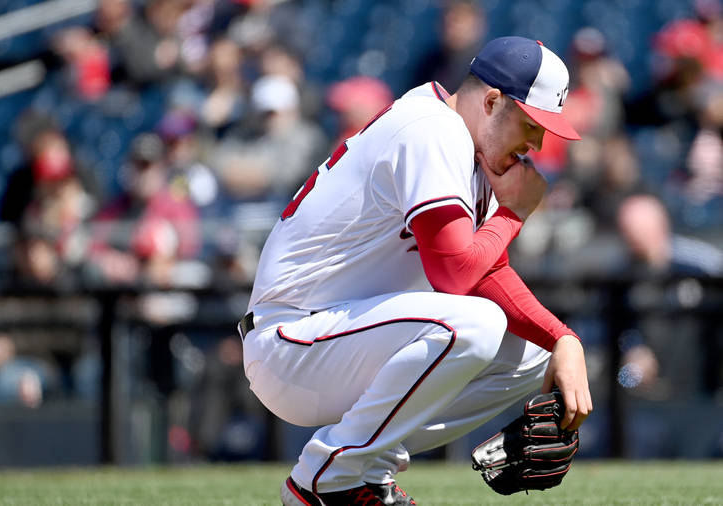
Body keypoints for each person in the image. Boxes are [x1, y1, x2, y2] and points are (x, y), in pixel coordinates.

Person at [238, 37, 593, 505]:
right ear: (491, 101)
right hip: (293, 339)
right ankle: (324, 480)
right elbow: (453, 274)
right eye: (531, 124)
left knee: (531, 352)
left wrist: (563, 339)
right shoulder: (433, 129)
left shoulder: (468, 150)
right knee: (477, 324)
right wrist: (513, 215)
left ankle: (368, 474)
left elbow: (486, 272)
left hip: (345, 338)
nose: (539, 143)